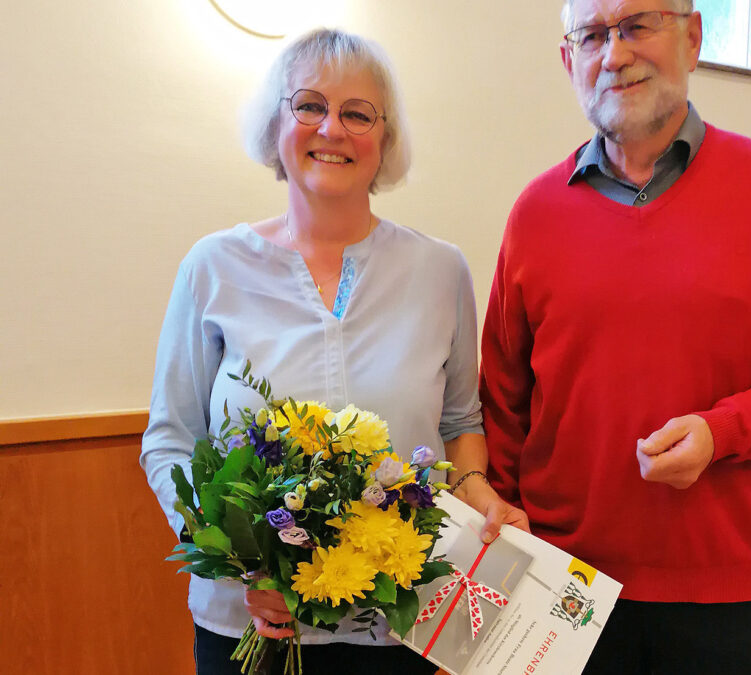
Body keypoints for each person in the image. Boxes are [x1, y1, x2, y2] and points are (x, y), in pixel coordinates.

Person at [477, 2, 751, 673]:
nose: (615, 53)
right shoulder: (535, 213)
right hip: (565, 585)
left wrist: (724, 432)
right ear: (570, 62)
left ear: (693, 38)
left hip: (725, 588)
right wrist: (509, 538)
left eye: (637, 26)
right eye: (593, 36)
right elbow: (503, 398)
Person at [140, 28, 522, 675]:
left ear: (386, 139)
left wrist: (481, 492)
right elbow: (171, 440)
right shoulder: (213, 267)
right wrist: (238, 563)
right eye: (310, 105)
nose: (332, 128)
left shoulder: (440, 270)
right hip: (251, 626)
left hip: (401, 623)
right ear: (276, 123)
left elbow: (459, 423)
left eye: (357, 113)